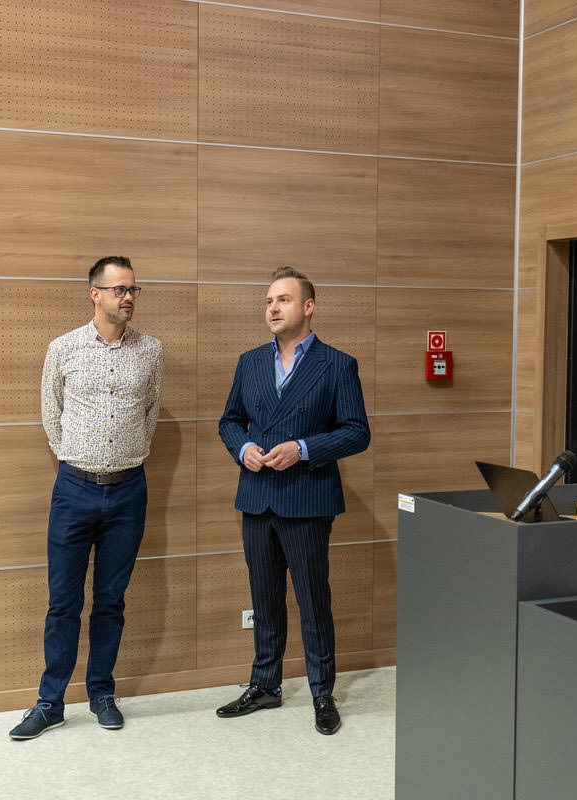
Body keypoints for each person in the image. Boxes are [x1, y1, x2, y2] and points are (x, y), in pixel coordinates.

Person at [9, 256, 164, 740]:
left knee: (111, 601)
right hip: (74, 490)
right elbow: (50, 413)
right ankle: (50, 703)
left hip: (129, 491)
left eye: (133, 289)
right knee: (63, 602)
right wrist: (77, 459)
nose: (128, 297)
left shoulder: (151, 351)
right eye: (120, 289)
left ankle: (101, 693)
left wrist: (124, 457)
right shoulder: (63, 348)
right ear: (95, 293)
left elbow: (150, 412)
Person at [215, 266, 371, 735]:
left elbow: (357, 432)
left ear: (308, 306)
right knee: (264, 600)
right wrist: (244, 448)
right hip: (257, 496)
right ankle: (265, 685)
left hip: (307, 498)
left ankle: (323, 693)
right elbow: (229, 421)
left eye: (283, 300)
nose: (273, 308)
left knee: (313, 601)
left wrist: (302, 449)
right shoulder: (250, 362)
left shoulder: (337, 364)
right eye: (268, 301)